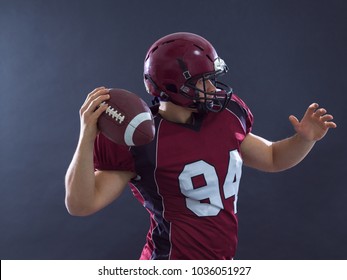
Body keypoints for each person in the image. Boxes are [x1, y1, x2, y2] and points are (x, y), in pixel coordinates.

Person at [65, 32, 336, 260]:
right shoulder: (141, 139)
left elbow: (274, 157)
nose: (213, 86)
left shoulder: (227, 115)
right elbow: (81, 204)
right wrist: (87, 134)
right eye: (202, 81)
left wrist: (304, 139)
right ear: (174, 87)